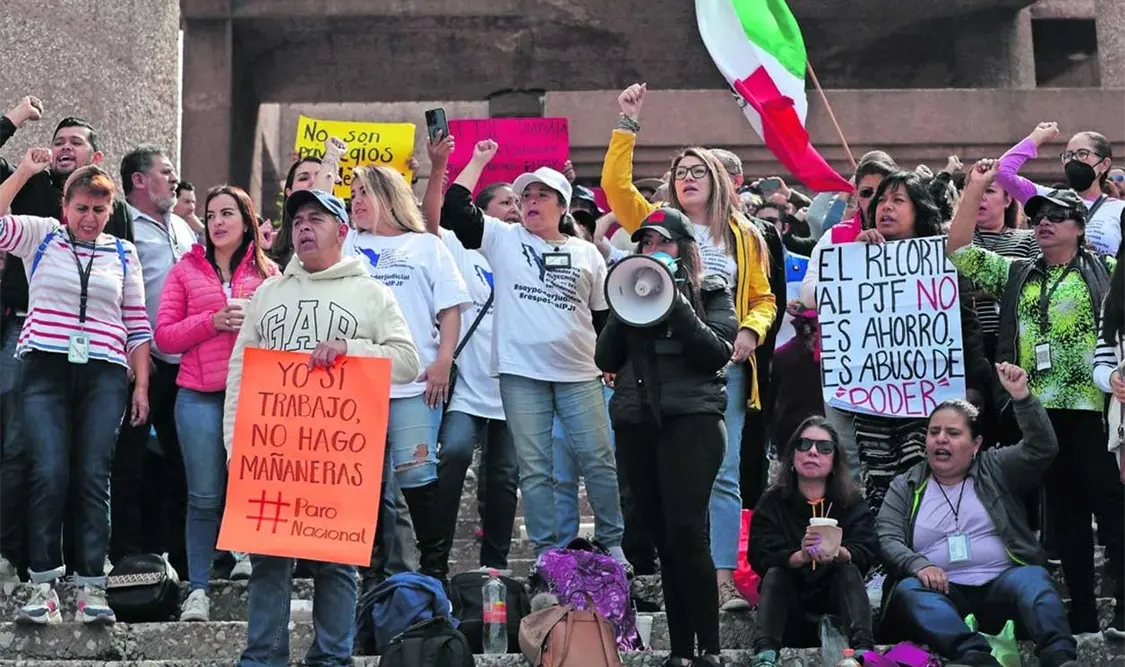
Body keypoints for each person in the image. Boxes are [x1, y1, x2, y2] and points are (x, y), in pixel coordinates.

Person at [224, 188, 419, 667]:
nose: (305, 227)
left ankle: (332, 658)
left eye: (317, 218)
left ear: (343, 232)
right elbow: (239, 373)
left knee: (338, 562)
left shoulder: (372, 293)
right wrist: (236, 446)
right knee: (270, 559)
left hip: (339, 455)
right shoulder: (267, 294)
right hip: (272, 451)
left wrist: (353, 348)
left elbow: (409, 362)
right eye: (298, 221)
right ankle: (263, 658)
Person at [602, 83, 776, 609]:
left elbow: (764, 297)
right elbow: (614, 184)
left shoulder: (747, 235)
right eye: (681, 172)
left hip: (721, 367)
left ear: (719, 180)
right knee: (661, 479)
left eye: (699, 171)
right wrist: (627, 124)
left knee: (723, 476)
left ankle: (722, 579)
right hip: (655, 373)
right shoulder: (653, 225)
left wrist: (750, 330)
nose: (688, 178)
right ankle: (672, 568)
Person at [947, 160, 1125, 634]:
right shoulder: (1018, 274)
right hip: (1040, 417)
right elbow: (959, 248)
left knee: (1112, 509)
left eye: (1057, 216)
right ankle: (1084, 615)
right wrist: (977, 187)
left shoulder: (1108, 270)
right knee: (1064, 518)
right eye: (1038, 215)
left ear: (1080, 228)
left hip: (1096, 412)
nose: (1043, 222)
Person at [441, 141, 628, 564]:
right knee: (535, 469)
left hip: (580, 373)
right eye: (525, 195)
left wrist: (610, 364)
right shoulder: (502, 239)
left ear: (562, 206)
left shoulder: (587, 254)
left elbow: (603, 319)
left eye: (541, 195)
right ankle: (547, 552)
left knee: (598, 459)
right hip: (521, 375)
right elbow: (455, 207)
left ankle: (612, 543)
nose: (530, 202)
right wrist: (477, 160)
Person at [0, 161, 151, 624]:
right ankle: (43, 588)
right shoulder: (41, 234)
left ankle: (91, 591)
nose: (90, 217)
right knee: (48, 471)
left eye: (99, 209)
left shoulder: (124, 252)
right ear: (65, 207)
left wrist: (141, 383)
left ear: (111, 211)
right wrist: (24, 171)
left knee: (92, 476)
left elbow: (137, 324)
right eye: (81, 207)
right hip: (44, 368)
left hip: (104, 373)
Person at [596, 207, 737, 667]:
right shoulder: (628, 293)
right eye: (647, 245)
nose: (654, 252)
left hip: (692, 420)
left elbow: (717, 352)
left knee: (686, 531)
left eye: (664, 243)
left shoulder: (711, 291)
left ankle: (710, 650)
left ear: (685, 249)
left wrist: (675, 302)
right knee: (662, 538)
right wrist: (625, 305)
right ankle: (679, 652)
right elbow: (606, 355)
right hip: (639, 423)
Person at [877, 363, 1079, 667]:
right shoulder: (906, 484)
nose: (940, 439)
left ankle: (1061, 658)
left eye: (952, 433)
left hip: (1002, 586)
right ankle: (975, 657)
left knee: (1034, 579)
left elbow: (1042, 448)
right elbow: (886, 537)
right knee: (909, 590)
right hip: (943, 596)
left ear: (975, 445)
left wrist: (1023, 398)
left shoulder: (995, 467)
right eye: (934, 432)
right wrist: (919, 564)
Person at [155, 185, 277, 621]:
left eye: (228, 213)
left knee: (253, 490)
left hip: (254, 397)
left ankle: (254, 569)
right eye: (211, 215)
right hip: (198, 396)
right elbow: (164, 336)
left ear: (247, 220)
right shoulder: (185, 269)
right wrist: (212, 321)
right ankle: (199, 590)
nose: (218, 222)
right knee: (204, 496)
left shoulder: (271, 276)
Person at [344, 163, 470, 585]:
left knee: (417, 478)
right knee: (360, 486)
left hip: (415, 384)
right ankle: (370, 579)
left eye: (364, 192)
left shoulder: (427, 247)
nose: (356, 201)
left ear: (388, 196)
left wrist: (444, 361)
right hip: (357, 384)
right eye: (353, 194)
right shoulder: (348, 245)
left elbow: (450, 308)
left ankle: (435, 572)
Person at [421, 133, 519, 577]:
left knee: (503, 479)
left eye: (520, 201)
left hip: (515, 387)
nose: (515, 208)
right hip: (467, 386)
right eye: (505, 202)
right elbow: (437, 213)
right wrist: (475, 161)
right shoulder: (461, 247)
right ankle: (435, 560)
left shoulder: (526, 249)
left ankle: (495, 568)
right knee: (455, 454)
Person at [111, 145, 196, 578]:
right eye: (166, 171)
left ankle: (183, 559)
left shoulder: (183, 227)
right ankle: (125, 555)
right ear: (140, 181)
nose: (174, 178)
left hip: (188, 364)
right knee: (129, 463)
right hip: (141, 362)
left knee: (184, 465)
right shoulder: (119, 222)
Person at [747, 417, 877, 667]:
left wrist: (841, 552)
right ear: (793, 455)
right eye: (804, 445)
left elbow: (869, 547)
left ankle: (863, 650)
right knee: (775, 574)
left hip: (835, 604)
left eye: (824, 447)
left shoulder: (850, 502)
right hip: (789, 607)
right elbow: (758, 552)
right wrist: (798, 557)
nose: (813, 452)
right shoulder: (773, 501)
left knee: (847, 571)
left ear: (834, 460)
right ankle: (764, 655)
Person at [996, 121, 1123, 256]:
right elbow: (1001, 172)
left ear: (1104, 164)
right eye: (1068, 155)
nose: (1073, 160)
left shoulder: (1120, 209)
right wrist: (1036, 137)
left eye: (1082, 154)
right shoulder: (1048, 199)